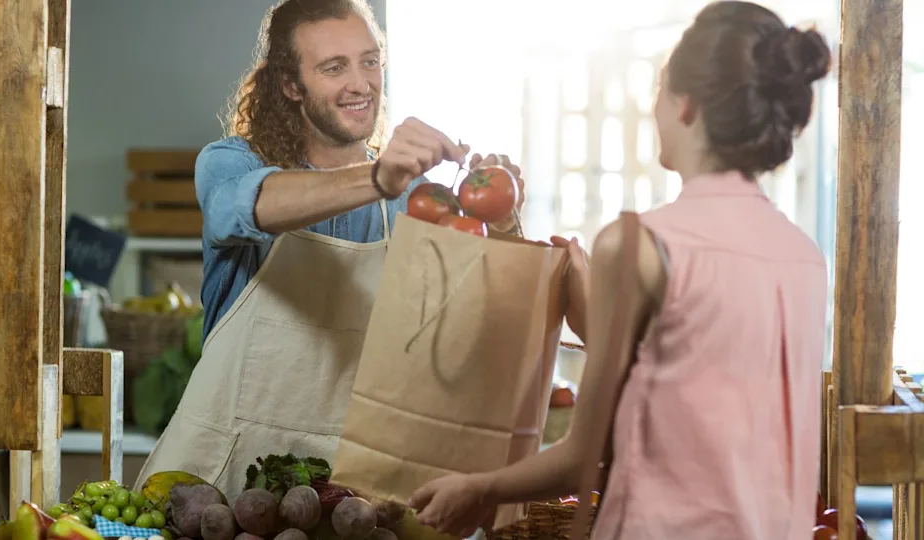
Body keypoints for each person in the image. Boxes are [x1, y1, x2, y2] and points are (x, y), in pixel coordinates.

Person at [407, 2, 831, 539]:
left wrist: (479, 488)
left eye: (658, 90)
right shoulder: (803, 255)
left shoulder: (636, 246)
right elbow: (703, 402)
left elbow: (588, 455)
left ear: (686, 105)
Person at [134, 0, 525, 500]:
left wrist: (505, 219)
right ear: (291, 85)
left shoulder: (415, 200)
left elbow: (480, 327)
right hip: (223, 482)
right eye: (334, 67)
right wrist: (377, 178)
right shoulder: (230, 162)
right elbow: (248, 206)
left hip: (349, 485)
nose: (360, 83)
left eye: (369, 61)